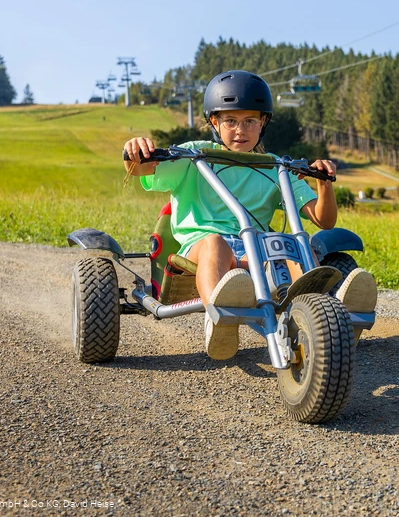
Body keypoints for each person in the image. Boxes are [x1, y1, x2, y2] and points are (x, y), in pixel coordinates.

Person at [123, 70, 376, 360]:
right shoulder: (194, 155)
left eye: (250, 121)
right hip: (204, 250)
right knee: (215, 241)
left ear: (263, 123)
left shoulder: (273, 165)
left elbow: (323, 220)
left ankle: (329, 315)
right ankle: (218, 319)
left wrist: (323, 183)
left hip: (255, 253)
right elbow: (142, 169)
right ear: (214, 122)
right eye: (230, 121)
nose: (240, 130)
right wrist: (135, 151)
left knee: (295, 246)